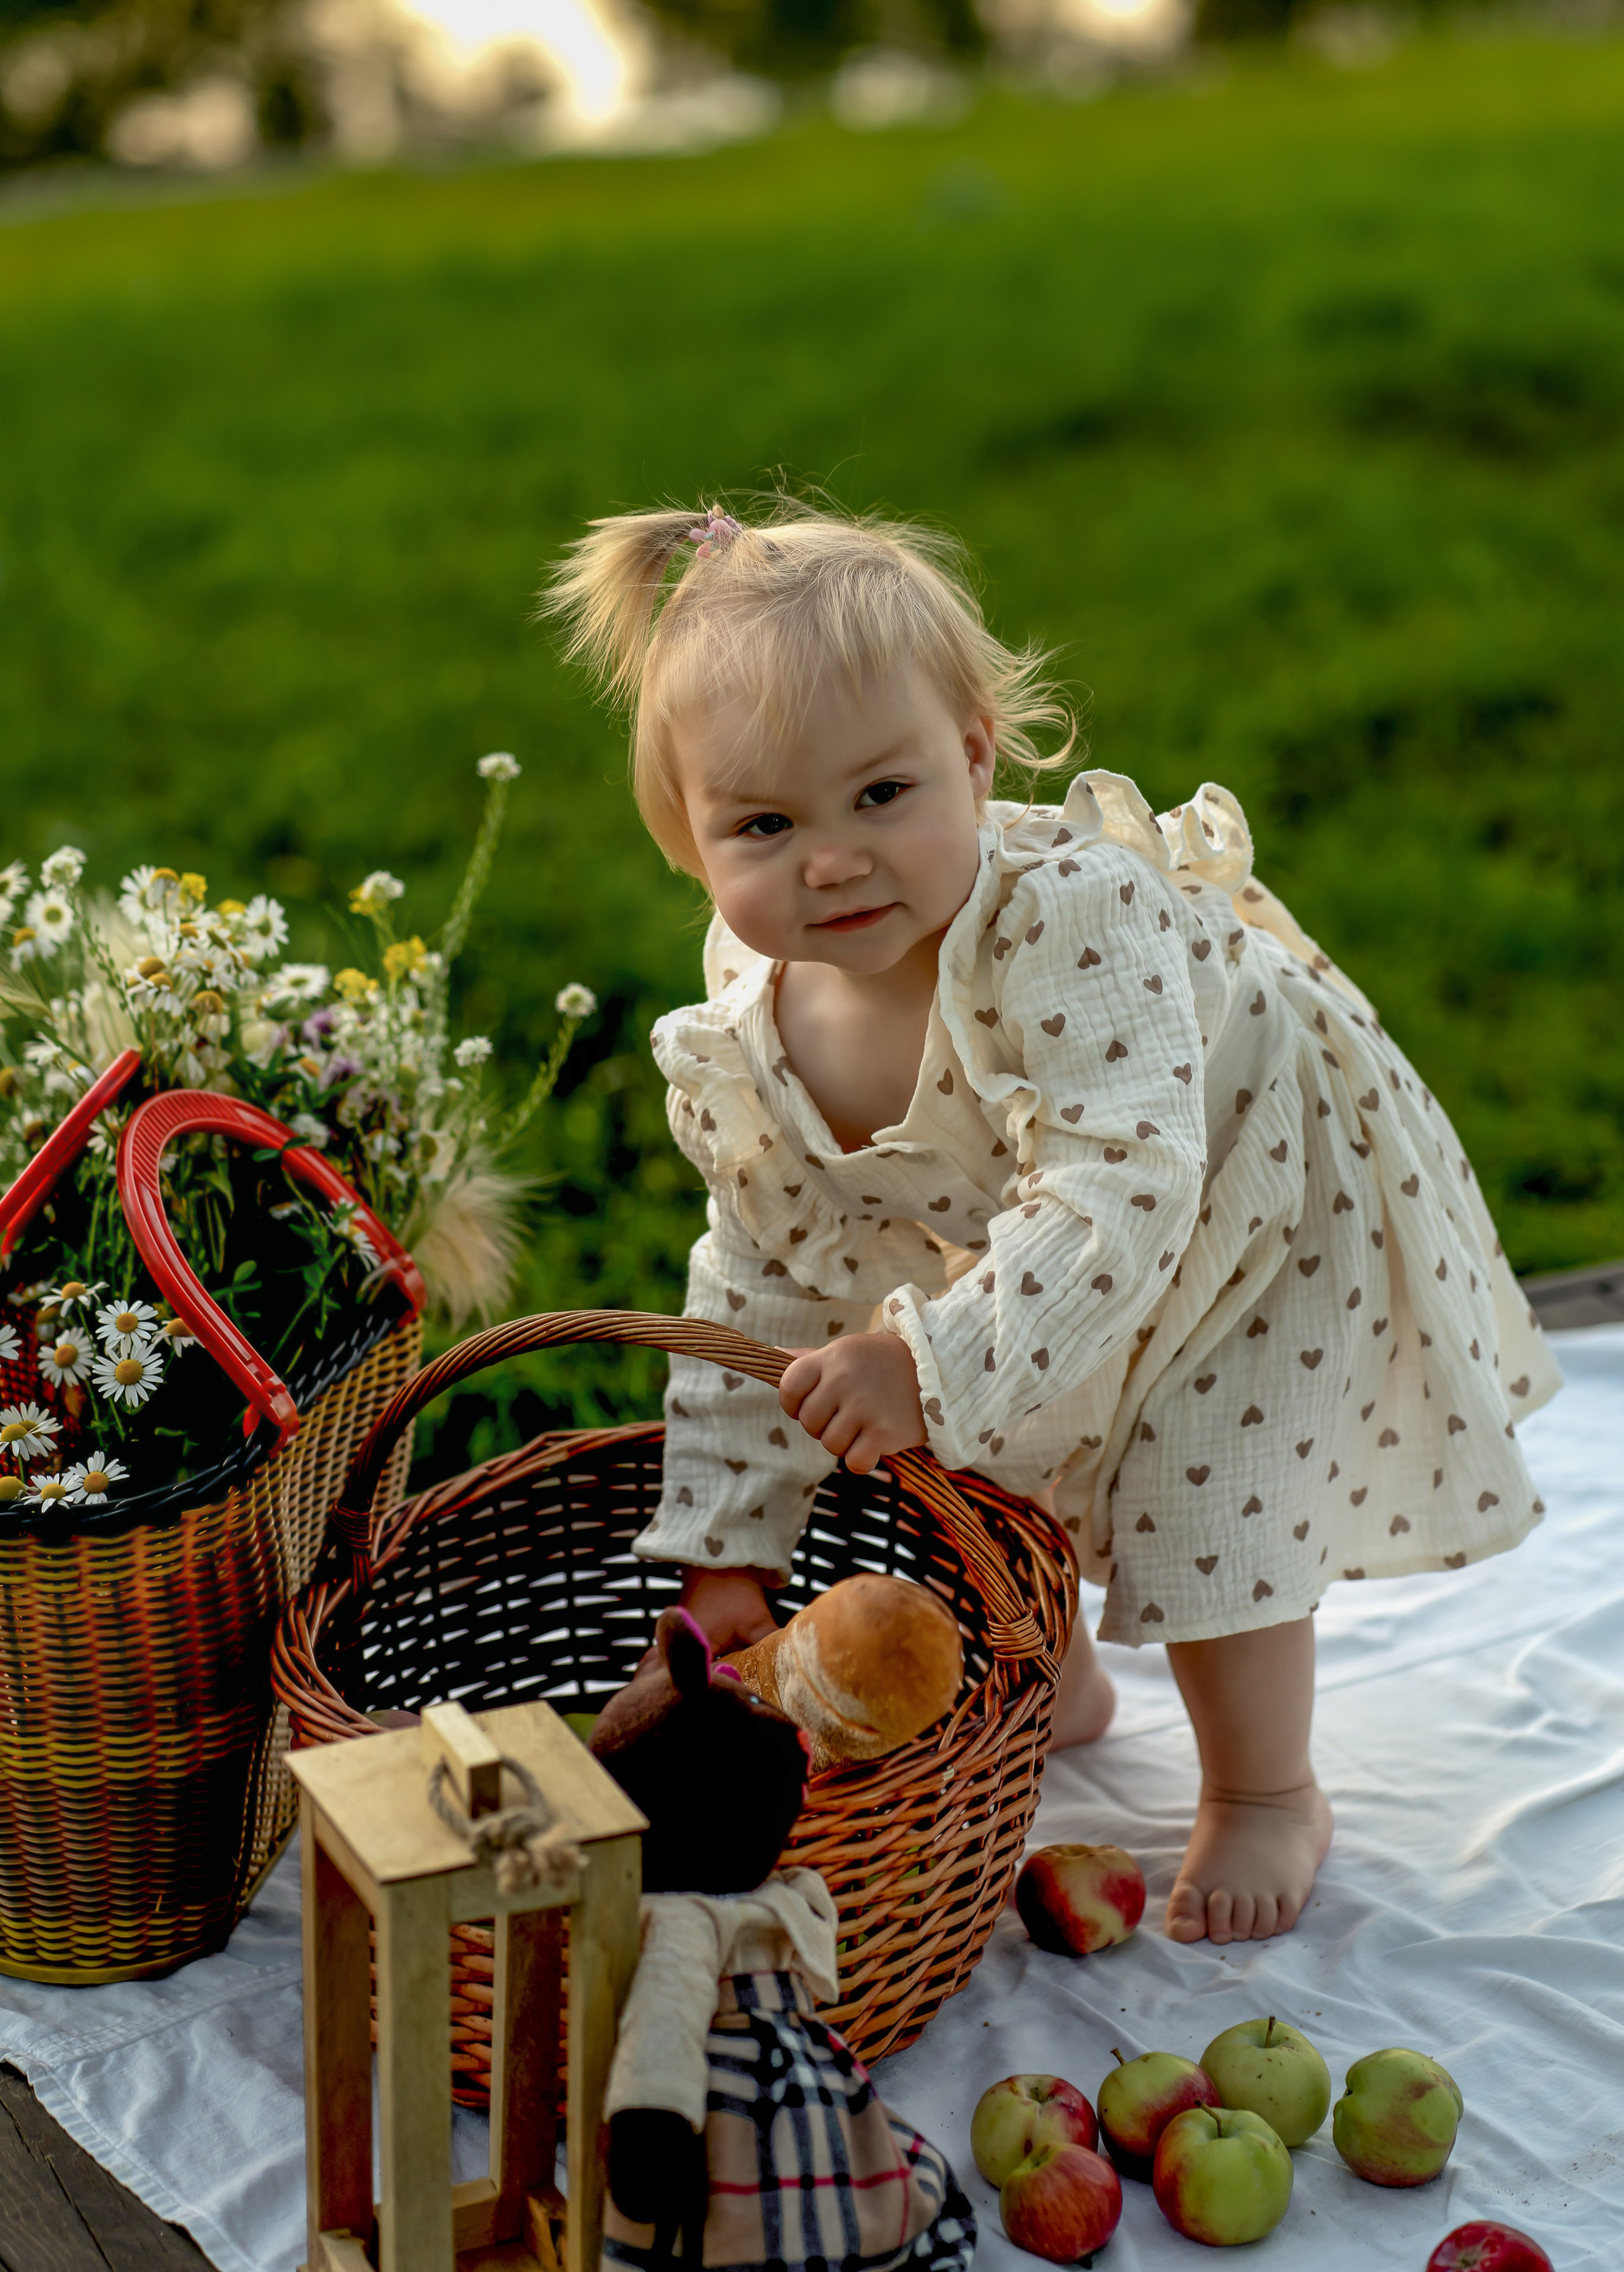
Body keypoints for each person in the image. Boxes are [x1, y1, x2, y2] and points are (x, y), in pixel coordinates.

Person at [546, 497, 1561, 1947]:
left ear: (972, 753)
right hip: (1031, 1221)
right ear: (685, 842)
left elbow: (1119, 1192)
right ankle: (1060, 1683)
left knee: (1209, 1492)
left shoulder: (1066, 929)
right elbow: (755, 1278)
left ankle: (1267, 1787)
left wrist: (926, 1356)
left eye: (880, 796)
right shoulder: (747, 1027)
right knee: (974, 1441)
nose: (829, 860)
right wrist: (728, 1552)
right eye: (764, 825)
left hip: (1235, 1195)